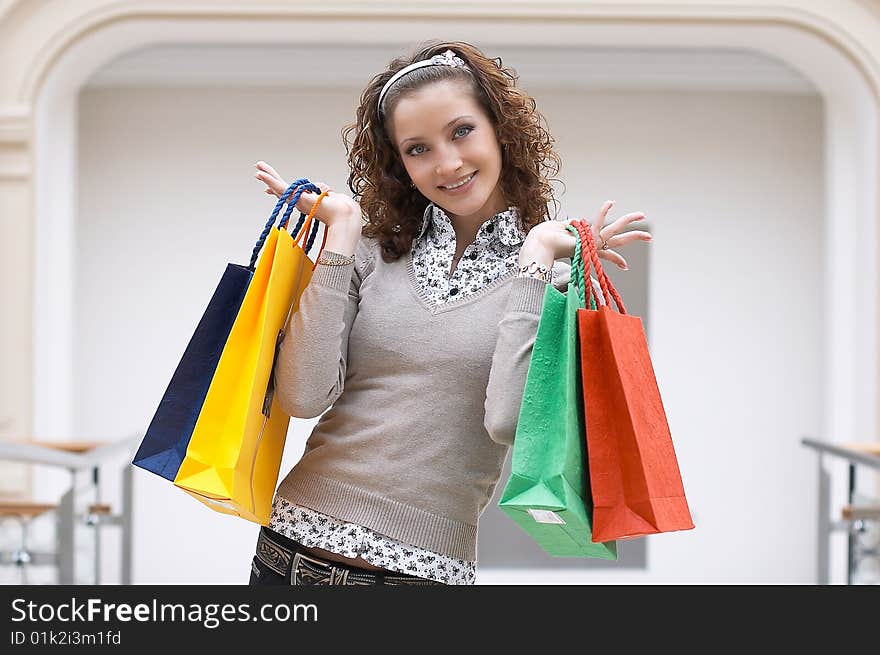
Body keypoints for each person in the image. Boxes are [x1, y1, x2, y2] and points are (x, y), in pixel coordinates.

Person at [247, 40, 651, 586]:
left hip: (425, 572)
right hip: (291, 552)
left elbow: (509, 422)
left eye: (461, 131)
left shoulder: (552, 278)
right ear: (399, 163)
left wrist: (534, 258)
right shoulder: (371, 249)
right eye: (418, 148)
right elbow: (301, 396)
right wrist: (340, 233)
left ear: (500, 129)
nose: (448, 163)